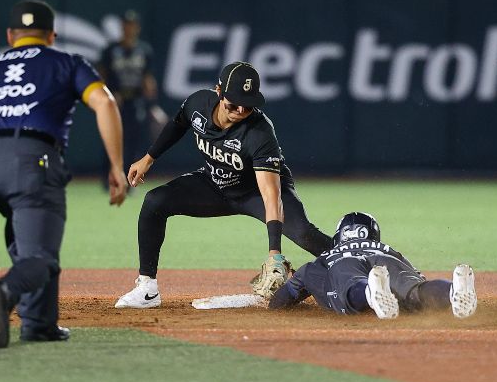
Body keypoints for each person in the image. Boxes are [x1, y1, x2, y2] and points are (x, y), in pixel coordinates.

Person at [0, 0, 128, 348]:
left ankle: (39, 324)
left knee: (26, 234)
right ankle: (5, 290)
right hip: (30, 161)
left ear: (10, 36)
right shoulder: (66, 62)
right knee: (40, 256)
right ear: (51, 36)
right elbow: (104, 102)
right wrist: (116, 165)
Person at [114, 61, 333, 308]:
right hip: (214, 184)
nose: (240, 109)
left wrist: (275, 253)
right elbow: (177, 124)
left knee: (304, 234)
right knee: (155, 201)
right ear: (218, 91)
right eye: (234, 102)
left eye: (247, 105)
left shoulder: (259, 132)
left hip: (255, 192)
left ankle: (358, 260)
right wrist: (148, 158)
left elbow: (270, 194)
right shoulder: (198, 104)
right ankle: (147, 289)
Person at [269, 211, 478, 319]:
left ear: (339, 236)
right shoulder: (387, 250)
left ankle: (369, 291)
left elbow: (284, 297)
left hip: (344, 264)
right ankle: (453, 290)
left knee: (350, 287)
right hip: (387, 262)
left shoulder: (329, 255)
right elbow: (418, 277)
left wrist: (278, 300)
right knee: (416, 293)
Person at [96, 10, 159, 191]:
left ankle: (130, 181)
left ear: (137, 27)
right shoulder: (110, 50)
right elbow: (101, 77)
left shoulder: (144, 50)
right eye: (126, 24)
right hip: (115, 102)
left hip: (135, 102)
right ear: (122, 27)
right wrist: (108, 95)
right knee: (111, 140)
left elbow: (148, 80)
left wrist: (153, 105)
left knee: (133, 143)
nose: (129, 28)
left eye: (132, 25)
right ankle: (109, 180)